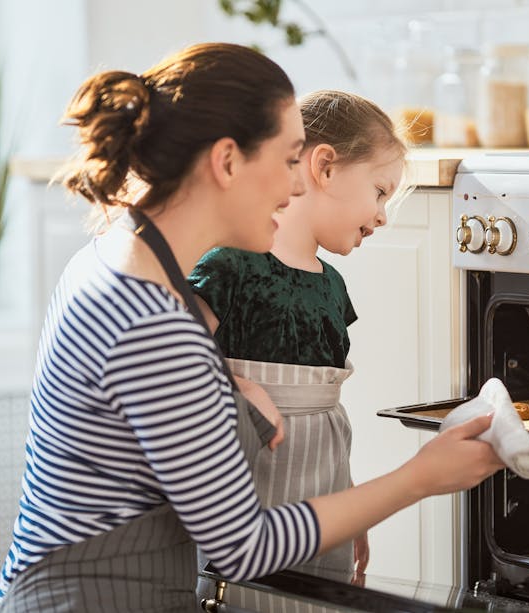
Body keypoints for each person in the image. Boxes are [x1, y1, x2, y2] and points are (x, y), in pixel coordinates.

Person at [0, 42, 504, 613]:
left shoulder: (111, 257)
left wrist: (225, 385)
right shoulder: (156, 326)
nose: (294, 187)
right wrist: (420, 477)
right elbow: (243, 548)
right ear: (228, 161)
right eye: (289, 161)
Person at [187, 90, 404, 600]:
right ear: (324, 167)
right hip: (243, 497)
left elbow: (332, 421)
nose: (383, 216)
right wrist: (236, 383)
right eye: (379, 192)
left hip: (322, 500)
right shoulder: (227, 266)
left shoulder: (333, 287)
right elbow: (173, 365)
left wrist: (351, 506)